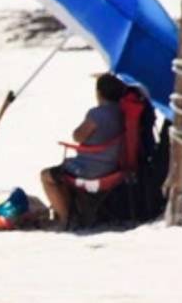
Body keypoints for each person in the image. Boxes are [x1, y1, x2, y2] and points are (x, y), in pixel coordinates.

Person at [40, 73, 128, 229]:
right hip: (114, 166)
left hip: (90, 170)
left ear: (99, 93)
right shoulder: (122, 112)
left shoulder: (97, 114)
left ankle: (65, 218)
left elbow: (78, 136)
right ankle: (73, 212)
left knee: (47, 175)